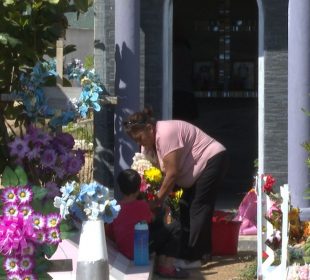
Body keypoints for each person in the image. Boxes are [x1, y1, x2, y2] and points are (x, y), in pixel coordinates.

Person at [123, 108, 229, 267]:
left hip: (212, 159)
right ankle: (196, 252)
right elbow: (155, 173)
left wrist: (157, 200)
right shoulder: (148, 144)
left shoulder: (166, 133)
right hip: (193, 171)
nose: (139, 143)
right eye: (135, 140)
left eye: (139, 138)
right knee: (184, 206)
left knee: (198, 207)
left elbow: (172, 173)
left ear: (150, 129)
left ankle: (195, 257)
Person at [111, 168, 189, 279]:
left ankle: (162, 262)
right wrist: (165, 211)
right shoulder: (141, 206)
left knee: (159, 229)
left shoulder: (115, 206)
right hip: (138, 251)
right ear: (139, 188)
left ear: (120, 187)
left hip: (124, 249)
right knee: (174, 227)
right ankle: (167, 266)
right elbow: (151, 219)